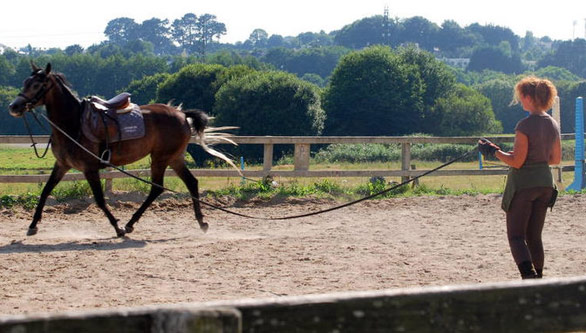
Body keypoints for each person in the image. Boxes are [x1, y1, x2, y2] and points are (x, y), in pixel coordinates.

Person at [478, 76, 561, 279]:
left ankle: (528, 276)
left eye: (521, 96)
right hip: (545, 183)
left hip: (524, 185)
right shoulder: (553, 124)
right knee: (534, 237)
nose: (520, 100)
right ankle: (539, 277)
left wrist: (492, 151)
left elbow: (516, 162)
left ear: (529, 97)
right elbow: (555, 159)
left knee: (516, 236)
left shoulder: (524, 125)